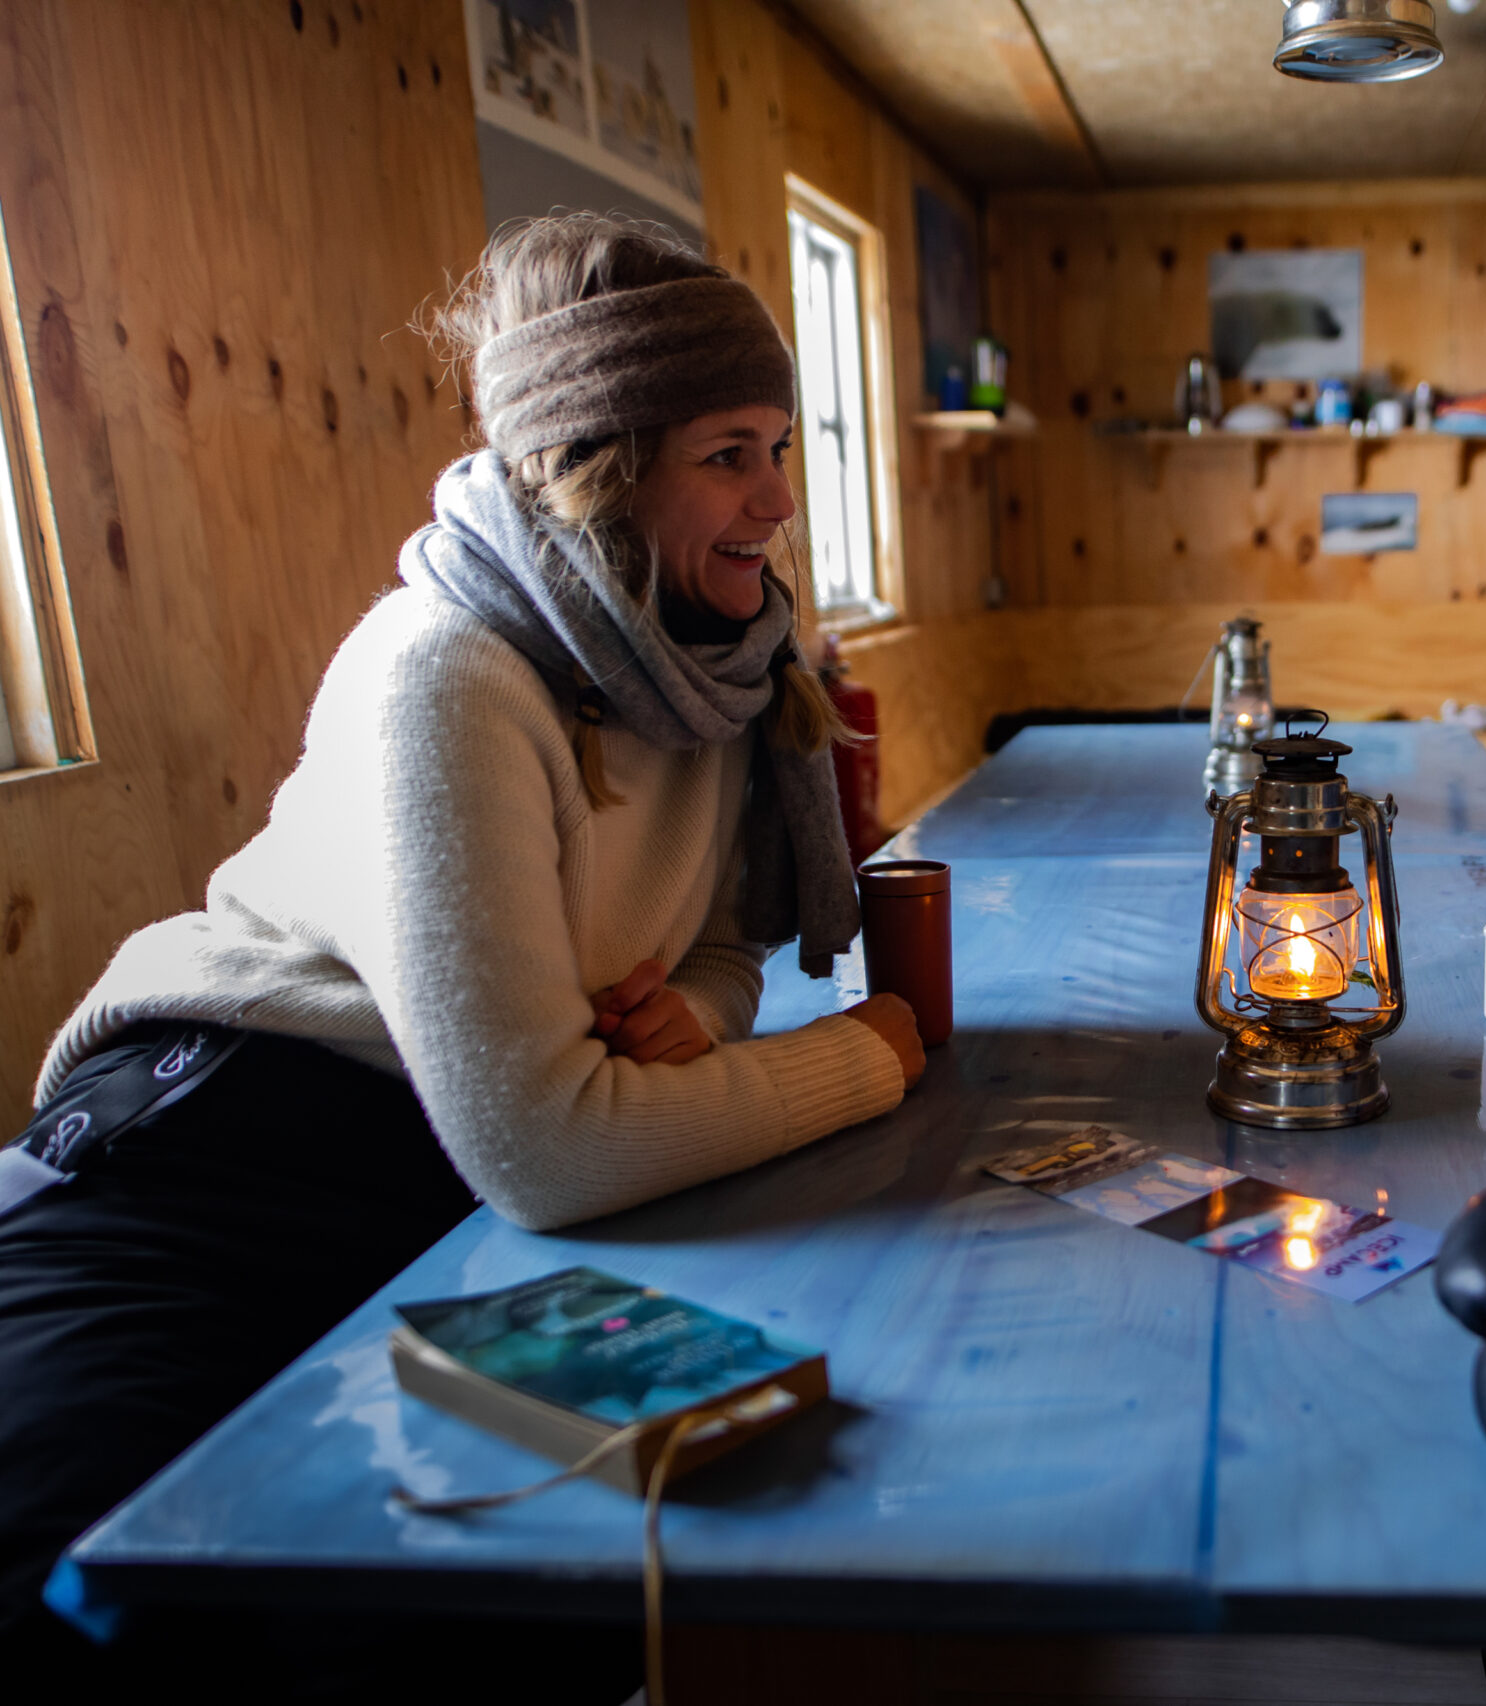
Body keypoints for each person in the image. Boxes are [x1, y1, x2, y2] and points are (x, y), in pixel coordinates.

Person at [0, 215, 925, 1690]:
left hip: (432, 1204)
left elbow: (733, 937)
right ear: (609, 469)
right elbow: (553, 1150)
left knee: (552, 1609)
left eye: (779, 447)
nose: (776, 503)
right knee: (80, 1622)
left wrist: (689, 1006)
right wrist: (867, 1058)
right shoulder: (448, 670)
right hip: (193, 1171)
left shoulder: (727, 657)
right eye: (729, 454)